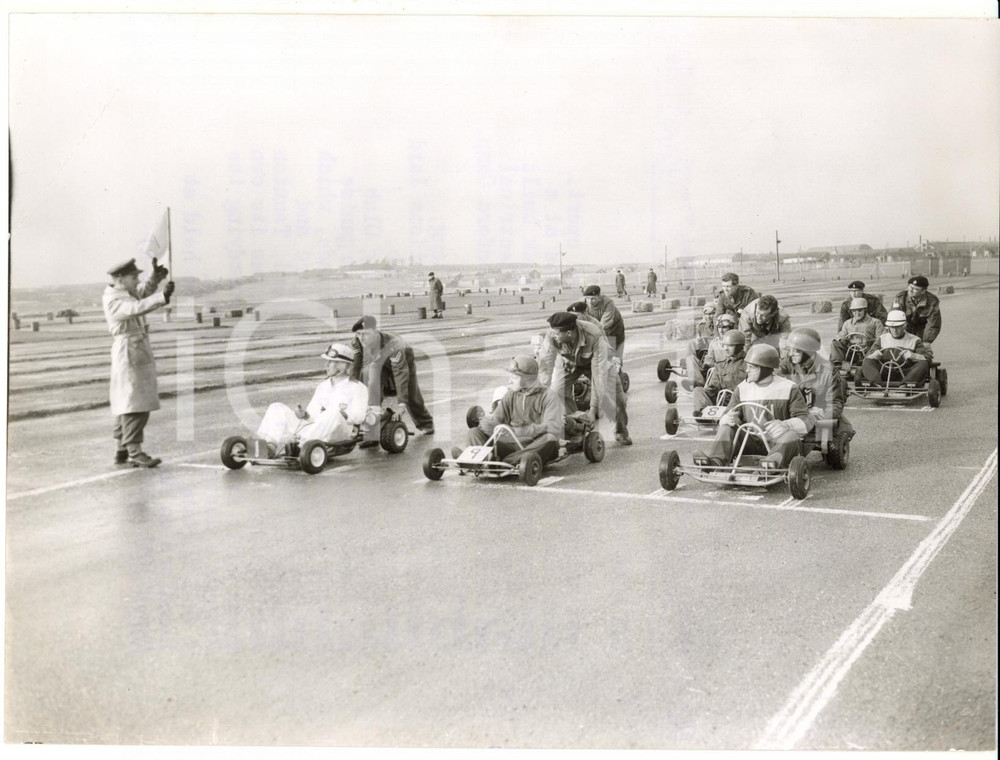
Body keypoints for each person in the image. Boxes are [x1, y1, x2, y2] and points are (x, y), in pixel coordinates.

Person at [102, 257, 175, 468]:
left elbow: (141, 293)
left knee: (126, 402)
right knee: (136, 403)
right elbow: (137, 307)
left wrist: (155, 278)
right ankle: (134, 451)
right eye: (133, 277)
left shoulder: (124, 293)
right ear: (120, 278)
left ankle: (121, 450)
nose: (137, 280)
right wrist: (163, 296)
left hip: (134, 348)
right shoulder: (114, 300)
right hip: (129, 350)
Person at [693, 343, 811, 469]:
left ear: (765, 368)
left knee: (791, 436)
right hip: (749, 441)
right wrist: (730, 418)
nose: (747, 370)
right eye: (747, 366)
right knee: (727, 427)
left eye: (752, 367)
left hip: (777, 442)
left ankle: (770, 465)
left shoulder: (789, 387)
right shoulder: (742, 388)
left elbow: (806, 419)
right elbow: (729, 414)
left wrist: (786, 425)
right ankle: (716, 461)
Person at [537, 311, 631, 445]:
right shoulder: (552, 335)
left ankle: (620, 431)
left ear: (569, 333)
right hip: (569, 362)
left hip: (598, 362)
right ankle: (576, 429)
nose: (553, 335)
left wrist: (593, 410)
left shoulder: (593, 335)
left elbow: (599, 375)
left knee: (617, 398)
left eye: (557, 334)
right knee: (557, 390)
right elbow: (545, 367)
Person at [256, 343, 368, 451]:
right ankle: (267, 446)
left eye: (331, 362)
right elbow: (312, 414)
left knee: (333, 413)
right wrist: (305, 414)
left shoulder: (358, 388)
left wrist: (343, 414)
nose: (327, 365)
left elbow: (360, 417)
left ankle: (302, 446)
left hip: (339, 434)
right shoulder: (323, 386)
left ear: (343, 365)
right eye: (328, 361)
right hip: (314, 431)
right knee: (276, 407)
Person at [463, 355, 562, 465]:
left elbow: (553, 427)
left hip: (534, 445)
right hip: (512, 443)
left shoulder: (549, 396)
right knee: (474, 432)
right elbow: (497, 419)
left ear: (526, 379)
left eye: (514, 377)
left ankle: (507, 462)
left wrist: (520, 431)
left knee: (550, 438)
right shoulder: (510, 395)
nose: (510, 381)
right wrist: (487, 423)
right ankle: (478, 460)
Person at [349, 315, 435, 435]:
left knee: (410, 393)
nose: (362, 338)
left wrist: (401, 404)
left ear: (375, 332)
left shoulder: (393, 344)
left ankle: (425, 423)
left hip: (404, 361)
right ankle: (373, 425)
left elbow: (400, 373)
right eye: (359, 334)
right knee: (370, 385)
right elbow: (356, 367)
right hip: (379, 363)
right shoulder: (356, 342)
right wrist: (352, 390)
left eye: (366, 334)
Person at [778, 328, 855, 442]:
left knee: (840, 434)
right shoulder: (787, 362)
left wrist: (823, 415)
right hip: (792, 412)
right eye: (790, 350)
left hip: (818, 415)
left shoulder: (828, 371)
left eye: (796, 351)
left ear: (808, 351)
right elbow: (773, 378)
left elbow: (835, 403)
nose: (790, 354)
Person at [860, 309, 932, 386]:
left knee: (923, 363)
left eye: (897, 327)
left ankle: (906, 385)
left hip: (906, 373)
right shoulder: (882, 339)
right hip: (884, 371)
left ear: (904, 326)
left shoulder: (914, 340)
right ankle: (877, 384)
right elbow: (867, 357)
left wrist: (913, 356)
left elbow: (927, 358)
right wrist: (874, 355)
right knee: (867, 361)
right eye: (892, 327)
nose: (894, 330)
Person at [691, 329, 747, 417]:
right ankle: (703, 413)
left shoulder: (749, 365)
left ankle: (725, 416)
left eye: (730, 346)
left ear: (739, 346)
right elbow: (713, 388)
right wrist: (706, 395)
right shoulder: (720, 366)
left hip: (740, 403)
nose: (725, 349)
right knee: (698, 390)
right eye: (724, 345)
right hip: (722, 400)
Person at [830, 297, 884, 368]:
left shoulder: (875, 322)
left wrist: (869, 341)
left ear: (865, 310)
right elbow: (841, 337)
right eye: (854, 311)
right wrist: (844, 339)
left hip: (868, 351)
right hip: (851, 351)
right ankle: (841, 367)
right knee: (835, 343)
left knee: (877, 346)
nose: (857, 313)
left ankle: (865, 365)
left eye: (860, 310)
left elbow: (880, 340)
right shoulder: (847, 323)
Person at [582, 284, 626, 364]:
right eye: (588, 298)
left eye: (593, 299)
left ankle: (618, 369)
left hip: (613, 329)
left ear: (599, 297)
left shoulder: (608, 303)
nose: (590, 302)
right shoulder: (581, 303)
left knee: (612, 356)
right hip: (596, 329)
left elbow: (604, 324)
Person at [891, 275, 942, 345]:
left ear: (923, 291)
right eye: (909, 287)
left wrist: (926, 341)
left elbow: (933, 324)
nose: (910, 290)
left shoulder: (932, 302)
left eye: (915, 289)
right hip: (903, 331)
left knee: (923, 350)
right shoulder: (901, 298)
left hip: (921, 333)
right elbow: (894, 319)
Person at [681, 304, 721, 389]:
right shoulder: (701, 326)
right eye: (706, 314)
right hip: (703, 349)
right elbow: (698, 338)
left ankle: (697, 378)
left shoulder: (720, 324)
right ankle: (695, 379)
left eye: (711, 314)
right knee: (690, 346)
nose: (708, 317)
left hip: (715, 351)